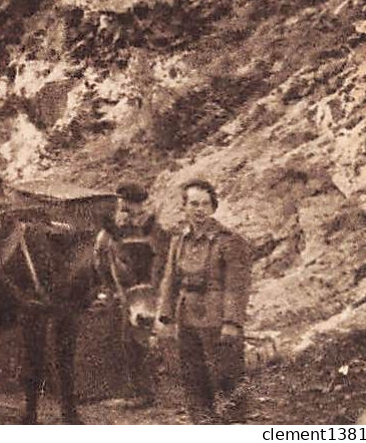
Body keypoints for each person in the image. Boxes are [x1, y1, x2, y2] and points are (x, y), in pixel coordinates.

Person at [156, 179, 252, 423]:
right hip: (186, 316)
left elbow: (236, 286)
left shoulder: (229, 241)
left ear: (213, 207)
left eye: (205, 204)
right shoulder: (179, 240)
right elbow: (170, 280)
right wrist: (165, 317)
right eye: (193, 204)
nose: (199, 210)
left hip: (217, 320)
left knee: (228, 379)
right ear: (185, 207)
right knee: (193, 379)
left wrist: (232, 322)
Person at [95, 181, 172, 409]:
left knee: (139, 339)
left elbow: (162, 263)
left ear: (141, 205)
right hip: (121, 292)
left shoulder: (154, 230)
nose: (127, 210)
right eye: (123, 205)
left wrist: (155, 292)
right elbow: (101, 261)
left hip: (146, 293)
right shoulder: (109, 234)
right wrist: (108, 288)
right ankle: (129, 389)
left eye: (131, 205)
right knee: (123, 339)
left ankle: (145, 391)